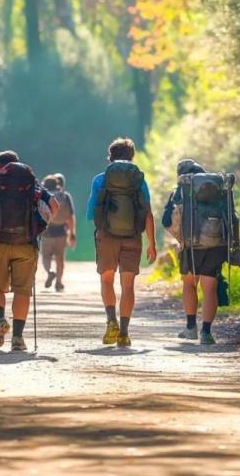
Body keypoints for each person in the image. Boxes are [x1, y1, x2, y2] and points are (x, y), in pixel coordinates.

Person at [0, 151, 57, 352]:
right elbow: (54, 205)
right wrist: (42, 225)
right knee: (22, 290)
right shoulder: (33, 186)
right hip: (27, 244)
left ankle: (0, 319)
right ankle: (18, 338)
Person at [87, 138, 157, 347]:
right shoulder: (139, 181)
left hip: (107, 236)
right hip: (132, 237)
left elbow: (91, 212)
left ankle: (111, 321)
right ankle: (124, 333)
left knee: (106, 280)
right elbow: (148, 214)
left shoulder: (100, 179)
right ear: (132, 157)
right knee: (128, 286)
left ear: (110, 157)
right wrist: (152, 243)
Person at [162, 159, 237, 346]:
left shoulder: (181, 190)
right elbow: (232, 216)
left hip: (191, 245)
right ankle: (206, 332)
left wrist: (180, 238)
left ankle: (190, 328)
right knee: (210, 287)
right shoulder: (218, 189)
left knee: (189, 284)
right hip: (217, 244)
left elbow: (166, 221)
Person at [41, 174, 76, 292]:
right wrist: (72, 234)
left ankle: (50, 272)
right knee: (60, 258)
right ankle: (59, 282)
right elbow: (70, 217)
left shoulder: (44, 196)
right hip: (61, 232)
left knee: (46, 257)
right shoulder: (65, 196)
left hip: (46, 232)